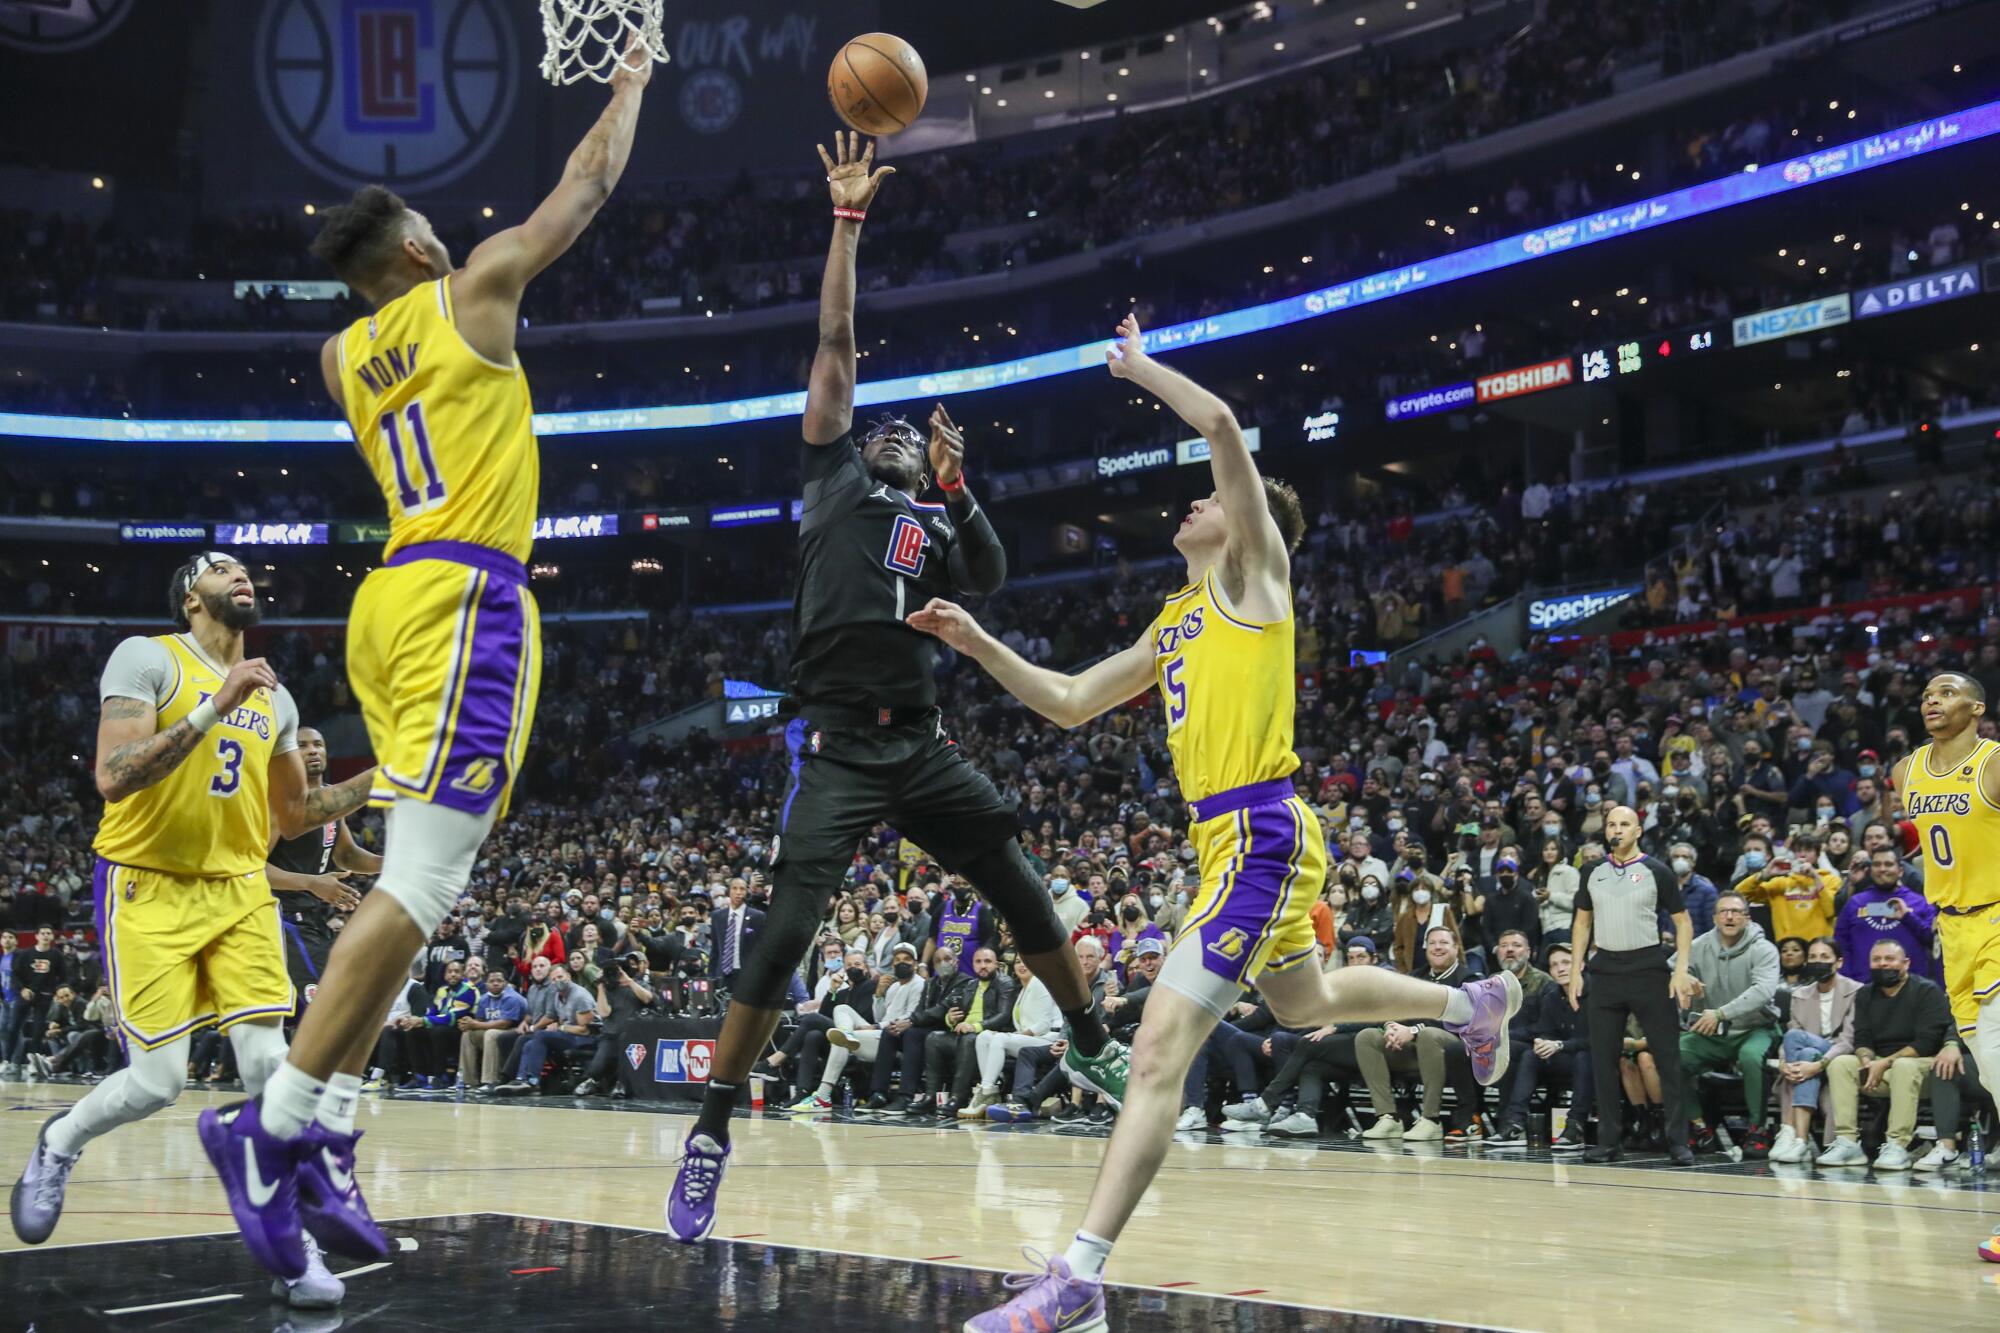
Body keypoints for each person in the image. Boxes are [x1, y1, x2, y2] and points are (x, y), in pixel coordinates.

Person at [908, 312, 1519, 1330]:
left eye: (1205, 500)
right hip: (1226, 844)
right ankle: (1474, 1008)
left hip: (1261, 834)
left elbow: (1225, 427)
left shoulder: (1254, 580)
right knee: (1301, 1001)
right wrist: (975, 642)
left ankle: (1078, 1279)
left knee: (1154, 1053)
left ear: (1238, 528)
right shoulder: (1174, 615)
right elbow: (1066, 702)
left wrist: (1140, 368)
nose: (1191, 502)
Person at [197, 48, 652, 1285]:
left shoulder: (343, 360)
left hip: (390, 601)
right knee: (431, 881)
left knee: (413, 872)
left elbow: (376, 327)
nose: (454, 238)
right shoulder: (477, 288)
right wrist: (627, 90)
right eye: (434, 230)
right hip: (466, 596)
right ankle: (275, 1127)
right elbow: (586, 189)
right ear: (414, 254)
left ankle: (331, 1133)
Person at [664, 134, 1122, 1246]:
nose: (886, 435)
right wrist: (847, 221)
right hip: (831, 741)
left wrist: (961, 487)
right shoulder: (829, 476)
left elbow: (995, 577)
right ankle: (712, 1130)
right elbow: (835, 340)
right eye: (878, 431)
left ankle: (1090, 1034)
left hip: (915, 738)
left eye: (904, 444)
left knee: (1018, 883)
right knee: (781, 938)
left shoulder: (930, 519)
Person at [10, 551, 375, 1310]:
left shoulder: (277, 699)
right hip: (148, 885)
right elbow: (114, 776)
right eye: (220, 568)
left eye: (246, 569)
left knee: (268, 1063)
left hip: (239, 887)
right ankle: (59, 1142)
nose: (240, 573)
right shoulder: (148, 658)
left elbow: (295, 818)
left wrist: (389, 774)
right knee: (157, 1081)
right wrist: (214, 702)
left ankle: (289, 1239)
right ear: (190, 599)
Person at [1891, 672, 2000, 1260]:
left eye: (1948, 692)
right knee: (1990, 1068)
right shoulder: (1907, 771)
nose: (1932, 700)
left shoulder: (1994, 763)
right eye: (1928, 693)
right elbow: (1927, 835)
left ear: (1977, 708)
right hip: (1950, 929)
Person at [1565, 805, 1697, 1165]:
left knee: (1666, 1058)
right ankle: (1609, 1140)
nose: (1617, 830)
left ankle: (1677, 1140)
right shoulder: (1591, 871)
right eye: (1611, 824)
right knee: (1603, 1059)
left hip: (1649, 968)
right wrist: (1576, 971)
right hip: (1605, 969)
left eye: (1624, 824)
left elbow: (1683, 923)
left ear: (1638, 830)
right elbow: (1581, 925)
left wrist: (1680, 969)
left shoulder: (1657, 871)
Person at [1815, 940, 1965, 1173]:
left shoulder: (1926, 991)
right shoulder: (1865, 993)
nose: (1883, 964)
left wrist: (1882, 1063)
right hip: (1880, 1068)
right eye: (1876, 960)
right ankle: (1848, 1142)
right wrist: (1867, 1062)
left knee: (1904, 1066)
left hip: (1923, 1069)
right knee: (1841, 1063)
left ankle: (1897, 1144)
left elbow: (1926, 1043)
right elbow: (1861, 1038)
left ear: (1905, 964)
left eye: (1889, 959)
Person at [266, 727, 380, 1014]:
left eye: (318, 744)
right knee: (324, 1009)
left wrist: (391, 863)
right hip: (279, 915)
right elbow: (251, 867)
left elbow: (345, 854)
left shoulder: (329, 797)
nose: (313, 750)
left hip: (311, 917)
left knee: (312, 1008)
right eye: (302, 746)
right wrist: (313, 883)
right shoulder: (279, 800)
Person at [1676, 893, 1781, 1156]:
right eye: (1723, 912)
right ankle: (1700, 1127)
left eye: (1736, 911)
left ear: (1747, 917)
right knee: (1671, 1056)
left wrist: (1721, 1013)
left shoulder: (1764, 949)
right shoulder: (1699, 945)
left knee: (1750, 1056)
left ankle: (1757, 1130)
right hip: (1713, 1031)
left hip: (1756, 1028)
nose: (1729, 916)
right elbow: (1672, 970)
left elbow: (1763, 991)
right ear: (1714, 918)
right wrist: (1685, 978)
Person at [1768, 937, 1862, 1163]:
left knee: (1795, 1038)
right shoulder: (1800, 995)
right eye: (1812, 957)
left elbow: (1848, 1040)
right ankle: (1800, 1141)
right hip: (1806, 1059)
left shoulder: (1857, 991)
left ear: (1838, 962)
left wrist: (1819, 1064)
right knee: (1803, 1049)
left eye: (1824, 957)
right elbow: (1790, 1045)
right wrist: (1784, 1063)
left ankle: (1789, 1129)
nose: (1817, 961)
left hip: (1839, 1057)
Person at [1832, 847, 1939, 984]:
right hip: (1863, 989)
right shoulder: (1855, 903)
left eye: (1888, 864)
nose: (1882, 869)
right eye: (1877, 865)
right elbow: (1840, 945)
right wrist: (1846, 981)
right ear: (1870, 870)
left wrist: (1908, 917)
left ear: (1900, 871)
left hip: (1910, 991)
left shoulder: (1920, 903)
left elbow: (1934, 942)